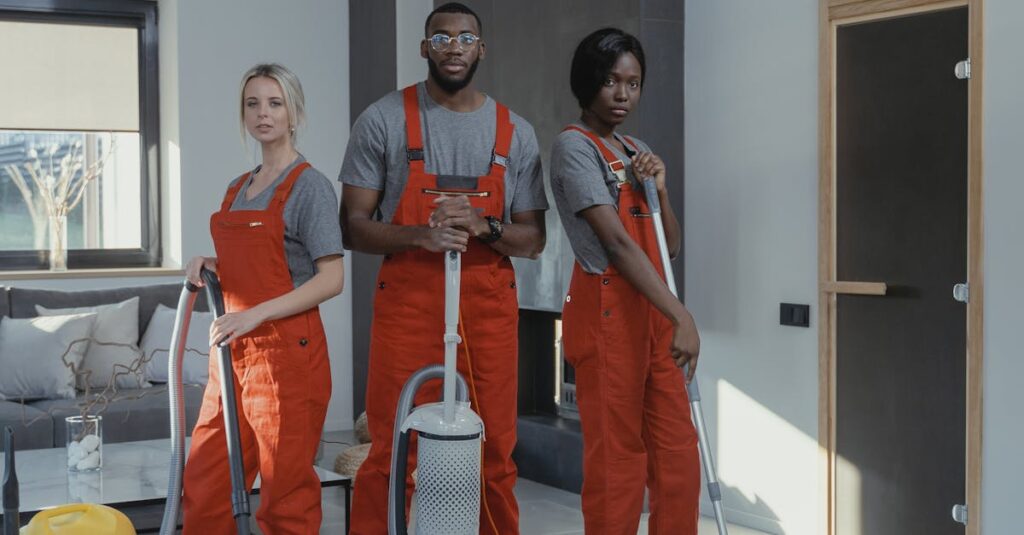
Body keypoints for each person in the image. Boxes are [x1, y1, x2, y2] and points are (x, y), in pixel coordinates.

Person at [338, 2, 547, 533]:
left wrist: (486, 226)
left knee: (494, 451)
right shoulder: (383, 119)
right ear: (423, 47)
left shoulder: (515, 132)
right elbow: (352, 226)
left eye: (465, 37)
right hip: (408, 305)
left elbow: (534, 240)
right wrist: (421, 235)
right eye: (441, 37)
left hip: (488, 309)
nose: (453, 46)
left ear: (481, 48)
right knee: (391, 448)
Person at [180, 63, 344, 535]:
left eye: (275, 103)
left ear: (294, 113)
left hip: (286, 359)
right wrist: (212, 264)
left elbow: (330, 278)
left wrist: (254, 315)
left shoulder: (308, 185)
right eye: (253, 104)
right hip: (233, 354)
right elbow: (249, 266)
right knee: (206, 483)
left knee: (284, 493)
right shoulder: (237, 189)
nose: (263, 113)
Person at [549, 28, 702, 534]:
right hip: (609, 311)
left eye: (633, 84)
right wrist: (681, 314)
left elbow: (669, 244)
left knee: (678, 453)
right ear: (588, 80)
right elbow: (616, 244)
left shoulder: (637, 149)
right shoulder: (575, 148)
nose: (622, 94)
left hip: (654, 315)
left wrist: (660, 188)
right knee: (619, 463)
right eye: (611, 80)